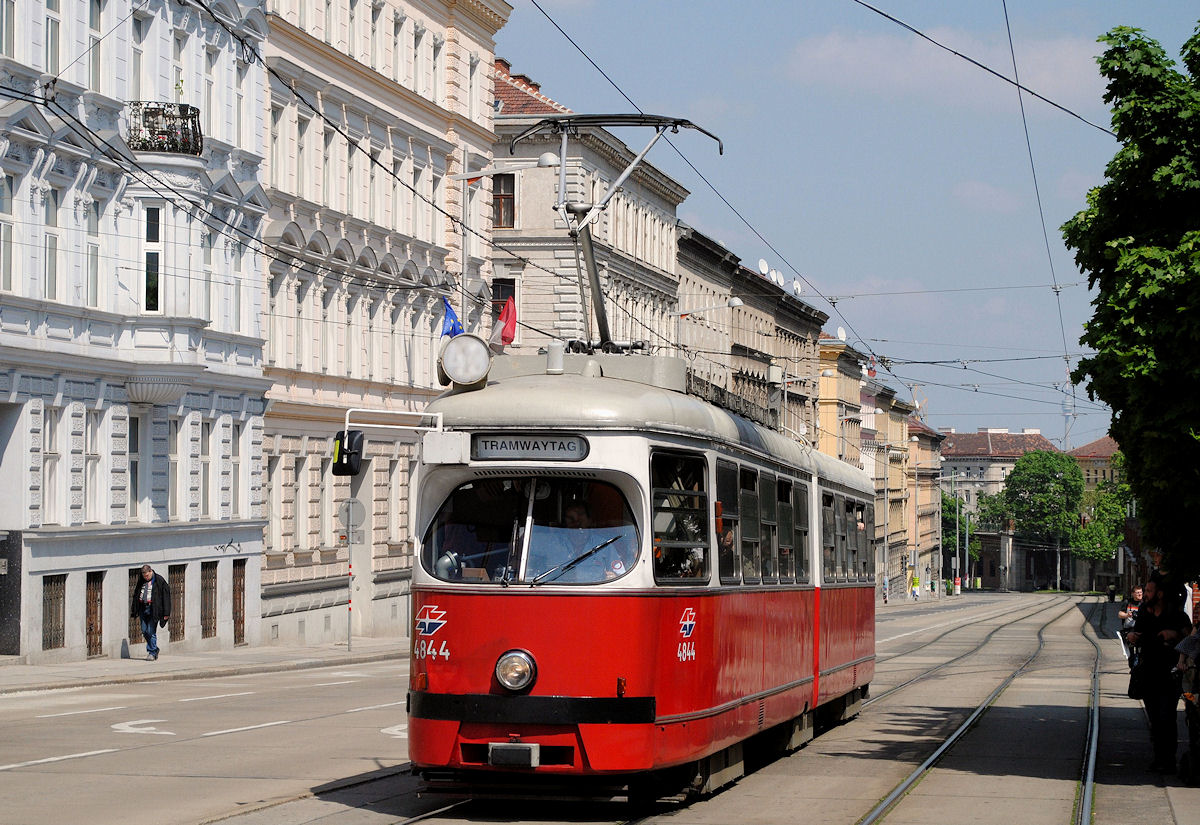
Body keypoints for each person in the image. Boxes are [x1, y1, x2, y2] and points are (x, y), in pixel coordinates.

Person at [1126, 573, 1192, 773]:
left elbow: (1190, 636)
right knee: (1154, 717)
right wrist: (1132, 636)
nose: (1145, 594)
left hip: (1168, 672)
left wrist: (1175, 634)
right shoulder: (1145, 613)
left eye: (1149, 591)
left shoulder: (1176, 615)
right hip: (1148, 671)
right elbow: (1137, 634)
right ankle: (1159, 758)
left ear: (1160, 594)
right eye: (1145, 591)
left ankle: (1169, 759)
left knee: (1167, 716)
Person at [130, 564, 171, 661]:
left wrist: (166, 613)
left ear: (151, 571)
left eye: (147, 575)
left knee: (151, 631)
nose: (146, 577)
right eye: (144, 576)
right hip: (143, 608)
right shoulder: (141, 580)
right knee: (144, 631)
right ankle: (155, 648)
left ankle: (152, 652)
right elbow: (136, 594)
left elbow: (166, 597)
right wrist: (134, 609)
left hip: (154, 609)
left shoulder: (159, 580)